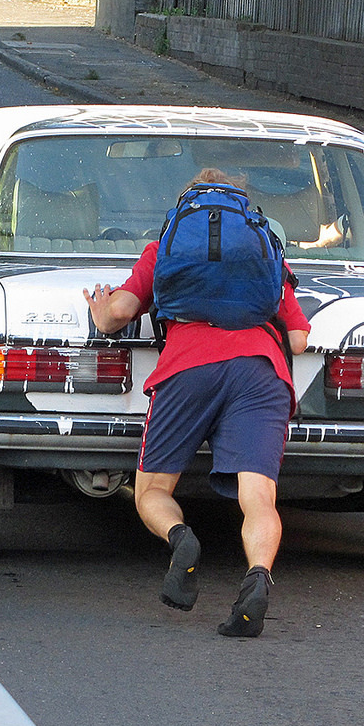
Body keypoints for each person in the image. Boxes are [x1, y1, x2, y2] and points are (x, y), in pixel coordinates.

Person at [83, 168, 311, 636]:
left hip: (187, 367)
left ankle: (181, 540)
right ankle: (258, 577)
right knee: (259, 498)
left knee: (152, 491)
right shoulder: (264, 250)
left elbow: (120, 314)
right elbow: (300, 338)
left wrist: (100, 311)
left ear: (186, 206)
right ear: (243, 208)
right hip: (259, 371)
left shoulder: (166, 246)